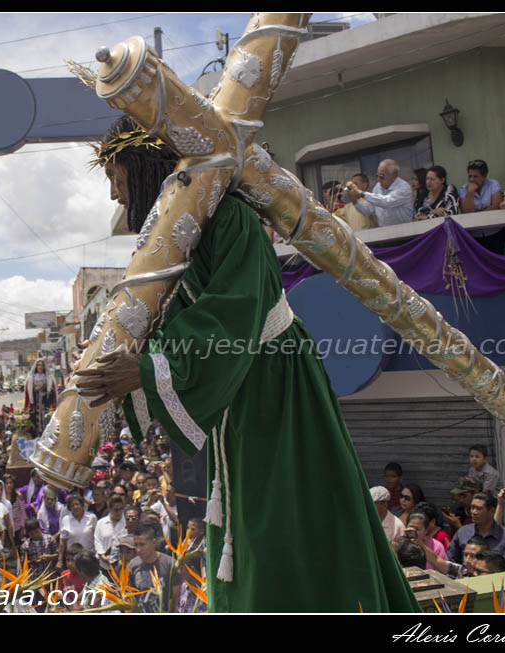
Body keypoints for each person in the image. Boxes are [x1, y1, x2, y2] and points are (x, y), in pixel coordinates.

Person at [74, 116, 418, 612]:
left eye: (115, 175)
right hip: (242, 387)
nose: (113, 193)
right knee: (249, 516)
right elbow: (170, 314)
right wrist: (122, 355)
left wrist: (147, 368)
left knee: (282, 515)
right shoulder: (181, 233)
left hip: (276, 383)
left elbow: (231, 313)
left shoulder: (229, 217)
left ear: (143, 164)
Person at [447, 492, 505, 570]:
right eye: (472, 508)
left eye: (479, 508)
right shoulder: (463, 533)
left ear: (492, 511)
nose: (474, 512)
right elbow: (451, 562)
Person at [345, 158, 414, 226]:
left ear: (393, 175)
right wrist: (354, 200)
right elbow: (367, 210)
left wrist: (361, 193)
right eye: (377, 175)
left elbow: (386, 202)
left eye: (381, 176)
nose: (378, 179)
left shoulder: (403, 187)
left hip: (404, 229)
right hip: (384, 230)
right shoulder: (377, 187)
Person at [128, 523, 180, 613]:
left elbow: (176, 599)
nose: (138, 550)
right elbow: (131, 597)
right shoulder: (133, 565)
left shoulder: (170, 564)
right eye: (136, 545)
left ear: (154, 543)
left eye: (142, 545)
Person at [58, 494, 97, 567]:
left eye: (77, 504)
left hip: (89, 557)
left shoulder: (92, 518)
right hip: (73, 560)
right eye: (72, 505)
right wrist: (60, 560)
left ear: (82, 505)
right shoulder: (65, 520)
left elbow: (97, 538)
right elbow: (62, 541)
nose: (75, 507)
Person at [23, 359, 57, 436]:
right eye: (38, 365)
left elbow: (53, 390)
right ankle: (36, 434)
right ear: (36, 367)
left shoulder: (48, 377)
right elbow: (28, 392)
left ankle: (46, 434)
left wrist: (48, 391)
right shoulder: (31, 378)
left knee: (46, 418)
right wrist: (34, 390)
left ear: (44, 367)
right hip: (35, 402)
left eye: (42, 365)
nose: (40, 367)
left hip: (45, 402)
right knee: (35, 419)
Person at [94, 495, 126, 572]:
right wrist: (102, 556)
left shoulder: (126, 522)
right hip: (103, 564)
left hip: (121, 565)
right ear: (109, 509)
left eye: (121, 509)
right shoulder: (101, 523)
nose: (119, 512)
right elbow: (97, 541)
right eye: (116, 510)